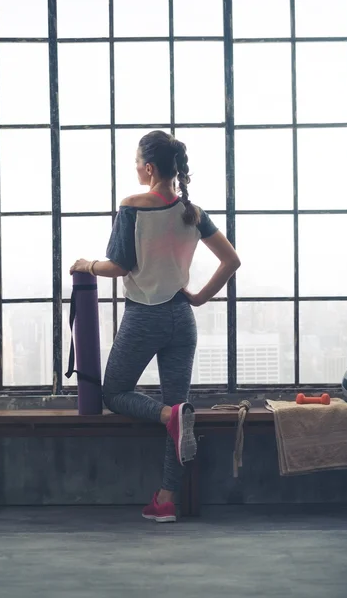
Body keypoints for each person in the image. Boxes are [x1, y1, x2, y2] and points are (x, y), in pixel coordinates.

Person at [70, 130, 240, 522]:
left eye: (136, 163)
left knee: (114, 393)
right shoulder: (192, 212)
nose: (135, 169)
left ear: (149, 168)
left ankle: (167, 419)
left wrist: (86, 265)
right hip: (183, 318)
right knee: (180, 407)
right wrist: (197, 298)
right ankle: (166, 500)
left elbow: (120, 267)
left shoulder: (133, 206)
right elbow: (231, 261)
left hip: (145, 315)